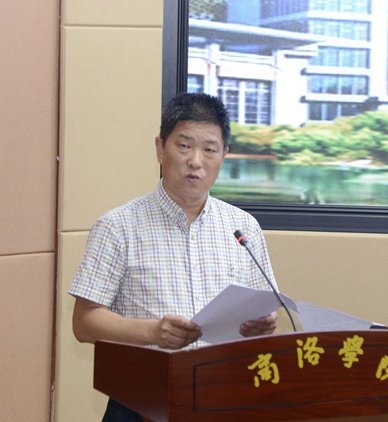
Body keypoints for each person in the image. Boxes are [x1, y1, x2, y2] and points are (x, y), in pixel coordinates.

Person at [69, 92, 279, 422]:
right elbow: (84, 322)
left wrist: (261, 324)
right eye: (184, 145)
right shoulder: (118, 226)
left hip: (223, 399)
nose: (196, 160)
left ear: (224, 155)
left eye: (209, 149)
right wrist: (153, 332)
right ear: (160, 148)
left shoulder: (244, 227)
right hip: (139, 403)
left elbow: (261, 308)